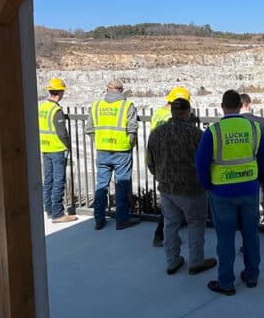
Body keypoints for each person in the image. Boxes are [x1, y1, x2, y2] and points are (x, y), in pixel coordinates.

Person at [196, 90, 264, 296]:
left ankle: (226, 282)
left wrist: (207, 185)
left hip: (222, 192)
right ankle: (252, 275)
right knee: (251, 235)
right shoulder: (254, 128)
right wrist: (262, 180)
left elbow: (201, 163)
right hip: (249, 189)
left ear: (222, 106)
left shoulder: (214, 131)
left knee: (226, 238)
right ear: (240, 105)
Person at [147, 98, 217, 277]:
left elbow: (150, 162)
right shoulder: (196, 134)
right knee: (195, 223)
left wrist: (161, 176)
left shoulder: (156, 133)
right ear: (187, 112)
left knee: (170, 224)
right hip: (191, 189)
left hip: (166, 189)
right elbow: (206, 161)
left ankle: (172, 261)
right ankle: (196, 261)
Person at [85, 78, 140, 230]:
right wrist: (130, 144)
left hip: (102, 151)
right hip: (122, 151)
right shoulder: (127, 105)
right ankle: (122, 220)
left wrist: (99, 141)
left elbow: (89, 129)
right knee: (122, 185)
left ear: (107, 90)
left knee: (101, 186)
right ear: (121, 91)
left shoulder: (96, 106)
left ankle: (99, 220)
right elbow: (132, 128)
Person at [150, 86, 192, 248]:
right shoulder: (172, 117)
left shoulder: (158, 112)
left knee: (168, 200)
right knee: (171, 205)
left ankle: (165, 235)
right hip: (174, 163)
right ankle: (161, 236)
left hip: (160, 162)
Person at [38, 78, 77, 223]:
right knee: (58, 181)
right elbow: (62, 133)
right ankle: (58, 213)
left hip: (45, 147)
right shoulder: (56, 110)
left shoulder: (42, 107)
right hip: (57, 148)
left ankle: (48, 209)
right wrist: (68, 146)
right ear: (60, 92)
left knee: (48, 180)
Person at [240, 93, 264, 235]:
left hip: (239, 169)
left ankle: (246, 231)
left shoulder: (233, 123)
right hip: (257, 167)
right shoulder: (261, 122)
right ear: (249, 105)